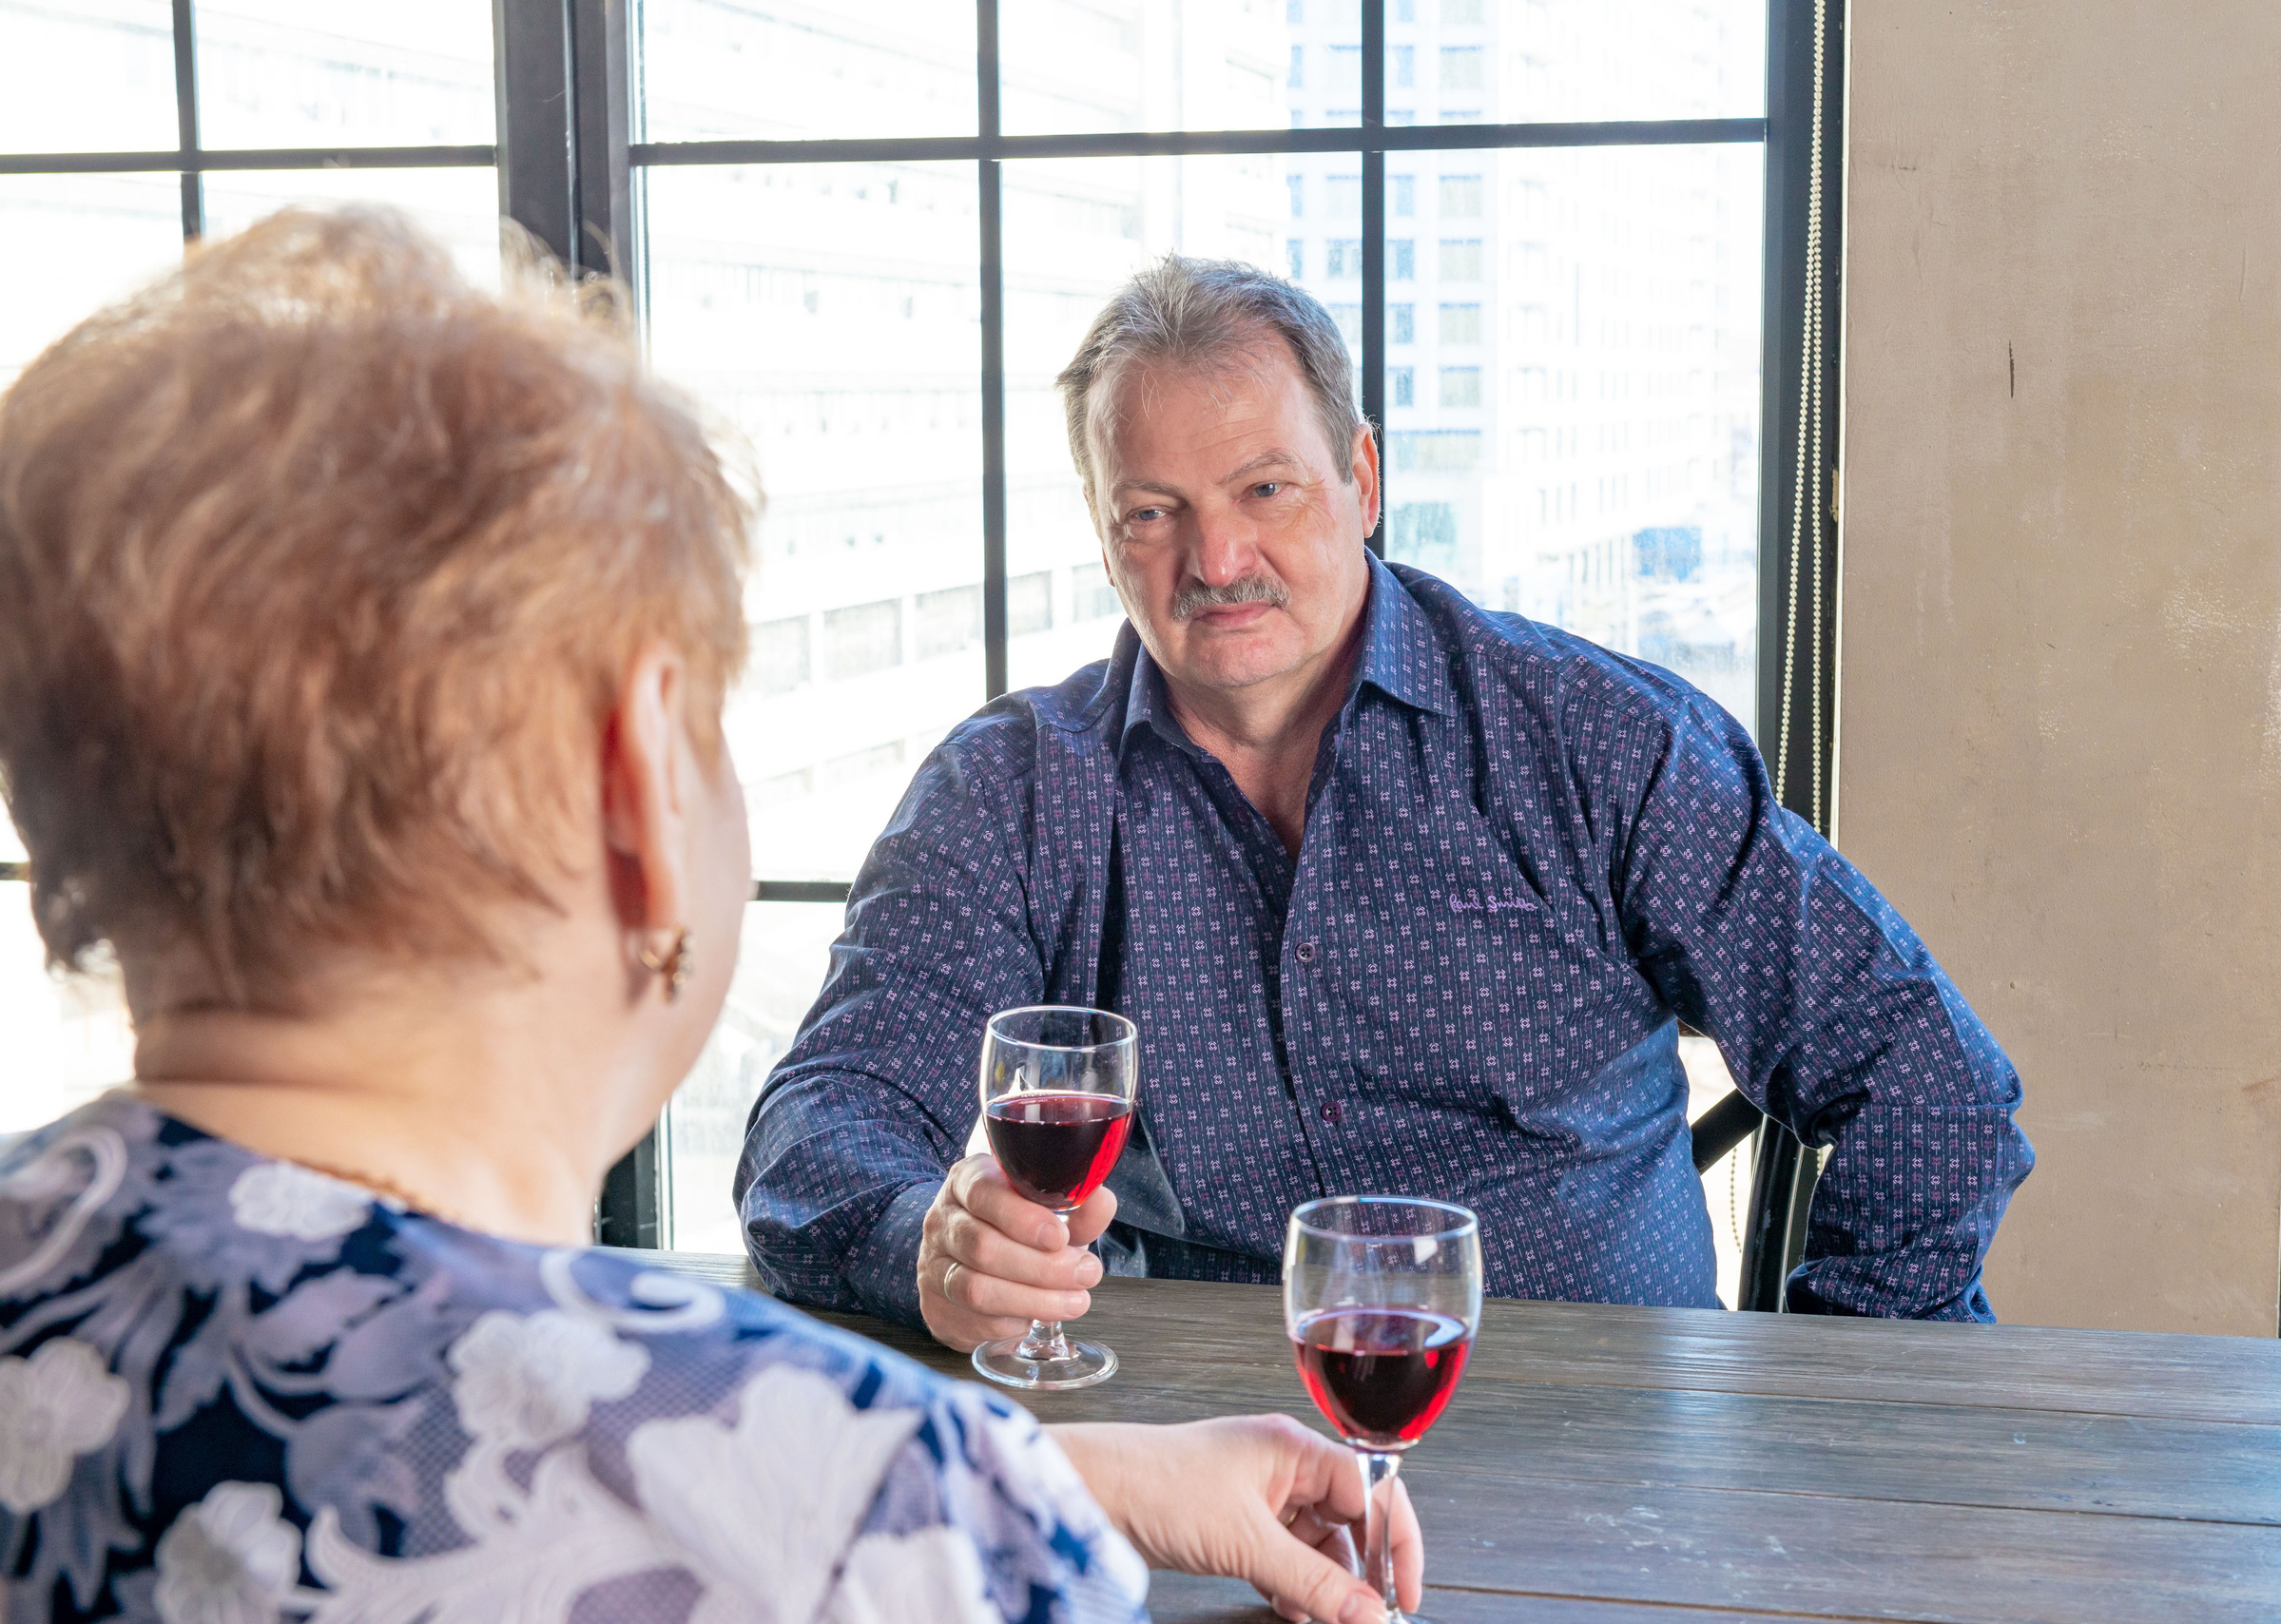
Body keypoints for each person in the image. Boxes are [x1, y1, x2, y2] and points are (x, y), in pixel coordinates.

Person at [0, 211, 1419, 1624]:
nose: (1215, 555)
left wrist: (1032, 1471)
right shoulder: (891, 1520)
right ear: (638, 779)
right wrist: (957, 1492)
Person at [739, 256, 2035, 1351]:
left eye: (1265, 488)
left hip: (1606, 1468)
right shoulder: (1012, 790)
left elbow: (1929, 1085)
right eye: (1155, 510)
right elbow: (820, 1125)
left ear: (1362, 477)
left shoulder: (1592, 739)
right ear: (1102, 531)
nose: (1217, 559)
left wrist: (1824, 1410)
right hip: (1196, 1469)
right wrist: (930, 1242)